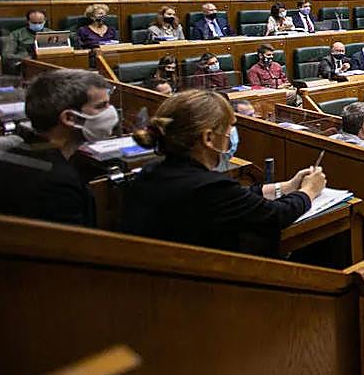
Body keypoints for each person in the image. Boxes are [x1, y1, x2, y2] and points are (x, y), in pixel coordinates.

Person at [121, 90, 324, 258]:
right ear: (208, 137)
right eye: (230, 127)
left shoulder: (153, 171)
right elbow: (275, 215)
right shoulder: (207, 187)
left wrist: (287, 186)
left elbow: (240, 197)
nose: (231, 135)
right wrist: (309, 190)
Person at [0, 70, 114, 227]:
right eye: (102, 106)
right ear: (69, 118)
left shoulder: (18, 155)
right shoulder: (56, 187)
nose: (110, 112)